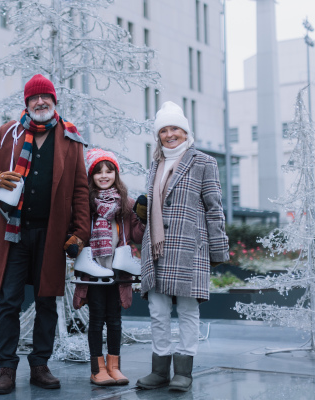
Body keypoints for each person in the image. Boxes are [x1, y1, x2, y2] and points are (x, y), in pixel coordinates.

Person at [0, 74, 90, 395]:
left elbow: (81, 189)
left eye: (46, 98)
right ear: (26, 103)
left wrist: (81, 232)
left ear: (55, 102)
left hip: (52, 236)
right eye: (34, 98)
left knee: (46, 301)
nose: (41, 102)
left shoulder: (70, 138)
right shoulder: (9, 133)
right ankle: (6, 369)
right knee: (8, 301)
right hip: (12, 234)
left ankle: (40, 364)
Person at [135, 101, 229, 392]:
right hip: (157, 248)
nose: (169, 134)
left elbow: (214, 208)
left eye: (175, 128)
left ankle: (184, 371)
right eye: (164, 129)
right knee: (158, 311)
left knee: (188, 311)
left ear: (185, 131)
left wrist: (218, 249)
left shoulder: (203, 162)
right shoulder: (155, 164)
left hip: (189, 247)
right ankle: (160, 369)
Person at [72, 149, 145, 386]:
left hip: (118, 271)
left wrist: (143, 219)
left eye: (109, 170)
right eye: (98, 172)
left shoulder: (126, 203)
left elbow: (136, 234)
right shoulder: (84, 204)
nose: (104, 175)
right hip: (93, 271)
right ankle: (97, 369)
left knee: (114, 320)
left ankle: (114, 367)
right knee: (96, 319)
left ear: (116, 173)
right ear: (91, 176)